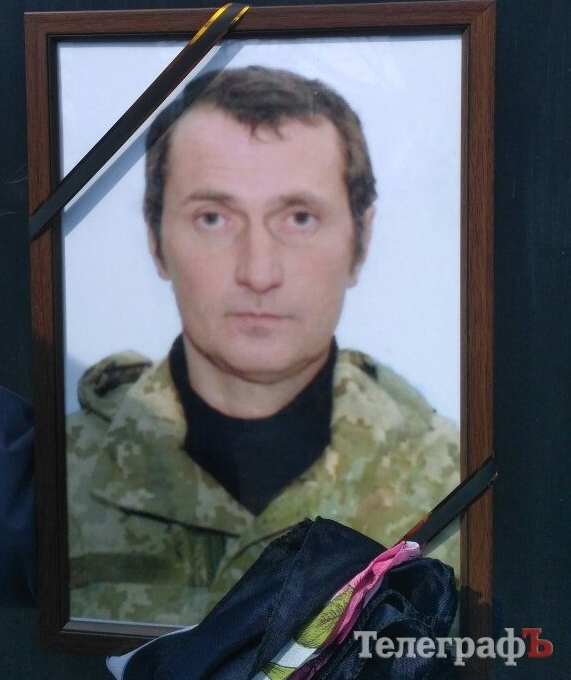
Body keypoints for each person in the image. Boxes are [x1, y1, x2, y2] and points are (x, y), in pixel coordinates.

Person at [67, 66, 459, 626]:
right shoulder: (55, 478)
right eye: (213, 218)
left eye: (299, 218)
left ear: (361, 241)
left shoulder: (458, 483)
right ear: (155, 239)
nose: (257, 272)